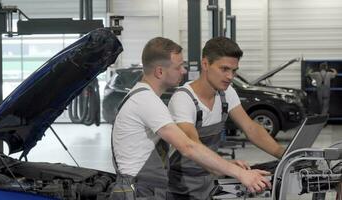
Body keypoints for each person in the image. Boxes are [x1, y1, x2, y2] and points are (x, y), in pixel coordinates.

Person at [110, 37, 271, 200]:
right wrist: (239, 173)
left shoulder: (143, 97)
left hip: (147, 189)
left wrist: (227, 167)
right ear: (159, 71)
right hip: (139, 191)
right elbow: (188, 146)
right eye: (179, 67)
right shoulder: (147, 101)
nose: (184, 71)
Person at [167, 36, 285, 199]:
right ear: (205, 64)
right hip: (181, 189)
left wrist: (284, 155)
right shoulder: (183, 99)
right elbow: (192, 146)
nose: (230, 76)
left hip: (209, 182)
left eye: (234, 71)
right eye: (224, 69)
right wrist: (235, 171)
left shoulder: (226, 93)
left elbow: (251, 128)